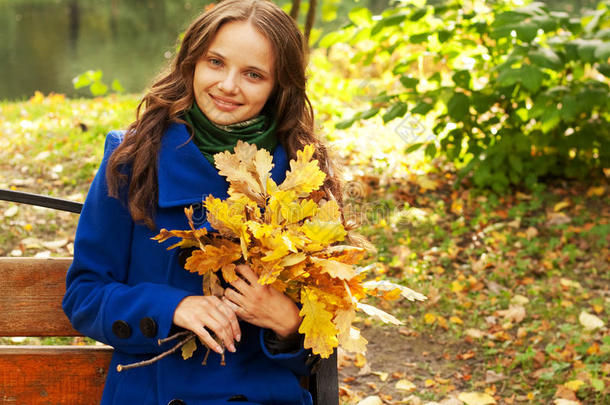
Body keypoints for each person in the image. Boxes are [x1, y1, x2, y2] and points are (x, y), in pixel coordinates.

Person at [62, 1, 343, 404]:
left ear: (279, 86)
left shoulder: (303, 173)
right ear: (192, 62)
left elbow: (329, 325)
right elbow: (84, 295)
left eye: (253, 74)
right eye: (215, 62)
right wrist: (173, 307)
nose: (228, 85)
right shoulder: (134, 159)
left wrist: (288, 323)